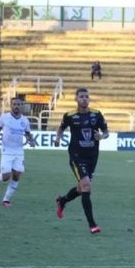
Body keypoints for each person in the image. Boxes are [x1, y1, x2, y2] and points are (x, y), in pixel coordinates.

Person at [54, 88, 109, 234]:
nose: (84, 99)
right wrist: (58, 138)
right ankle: (92, 225)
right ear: (76, 99)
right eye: (81, 97)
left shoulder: (96, 114)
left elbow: (106, 132)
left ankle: (63, 200)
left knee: (81, 188)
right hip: (76, 156)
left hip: (92, 157)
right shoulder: (70, 115)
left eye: (86, 96)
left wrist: (101, 136)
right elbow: (61, 128)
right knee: (86, 186)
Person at [0, 97, 36, 206]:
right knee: (6, 177)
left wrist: (31, 141)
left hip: (19, 151)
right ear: (11, 105)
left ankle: (6, 200)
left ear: (21, 106)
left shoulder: (25, 120)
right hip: (6, 150)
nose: (16, 106)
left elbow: (28, 134)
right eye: (14, 104)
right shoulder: (4, 117)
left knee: (16, 175)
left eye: (19, 104)